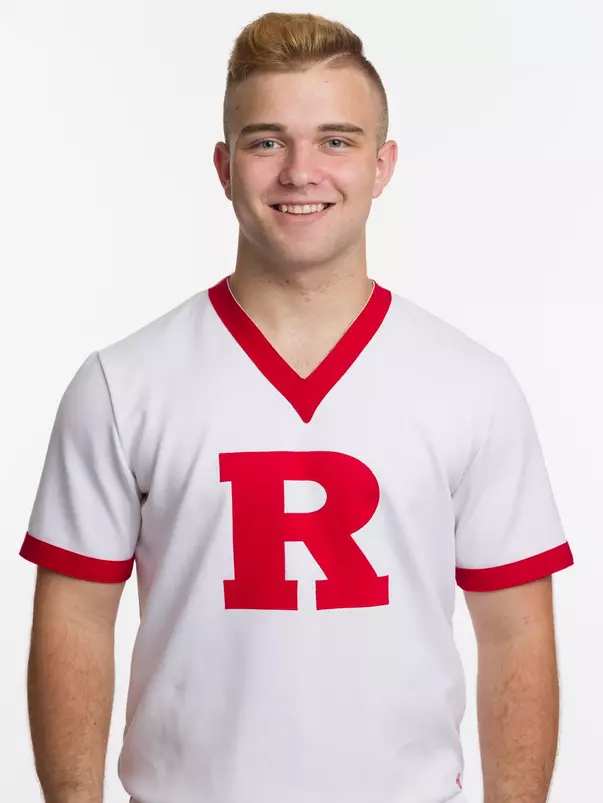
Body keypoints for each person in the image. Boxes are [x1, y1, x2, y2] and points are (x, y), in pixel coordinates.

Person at [20, 11, 574, 803]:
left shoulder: (471, 384)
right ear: (223, 164)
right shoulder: (122, 382)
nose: (300, 171)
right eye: (267, 140)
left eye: (336, 140)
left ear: (382, 166)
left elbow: (516, 631)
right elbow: (74, 617)